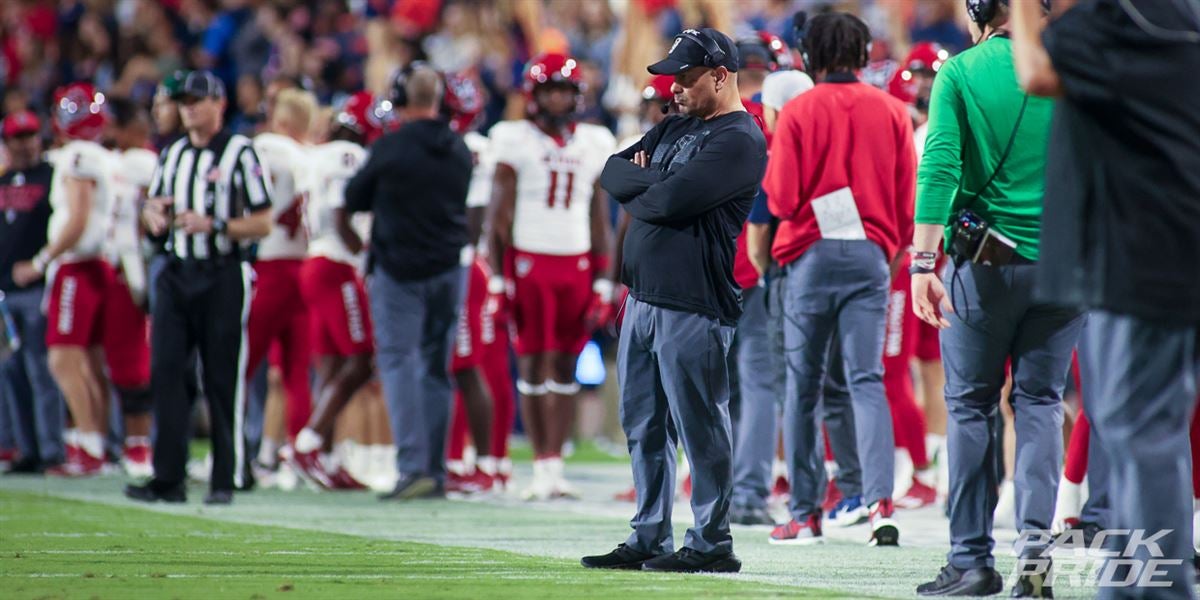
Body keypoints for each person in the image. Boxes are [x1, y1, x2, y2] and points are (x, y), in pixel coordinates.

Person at [1012, 0, 1200, 596]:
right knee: (1132, 427)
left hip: (1148, 252)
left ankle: (1164, 586)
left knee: (1142, 428)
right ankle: (1129, 579)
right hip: (1152, 246)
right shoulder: (1166, 16)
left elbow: (1036, 71)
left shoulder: (1125, 16)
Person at [582, 27, 766, 574]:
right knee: (642, 424)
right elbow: (612, 173)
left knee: (700, 425)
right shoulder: (679, 125)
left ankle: (712, 542)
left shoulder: (739, 138)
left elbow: (665, 203)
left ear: (720, 75)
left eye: (686, 78)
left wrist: (655, 181)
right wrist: (658, 182)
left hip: (693, 302)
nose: (675, 89)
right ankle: (649, 535)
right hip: (641, 298)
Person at [910, 0, 1078, 596]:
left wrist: (921, 263)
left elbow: (939, 168)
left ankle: (971, 560)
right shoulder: (1074, 65)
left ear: (980, 12)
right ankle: (1036, 553)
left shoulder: (960, 72)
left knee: (972, 406)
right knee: (1040, 405)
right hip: (1066, 265)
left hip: (984, 266)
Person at [763, 12, 914, 547]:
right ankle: (879, 504)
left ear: (812, 55)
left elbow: (779, 198)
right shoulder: (894, 111)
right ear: (862, 52)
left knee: (802, 386)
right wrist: (886, 252)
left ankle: (806, 514)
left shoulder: (800, 110)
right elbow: (905, 204)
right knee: (866, 381)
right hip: (872, 253)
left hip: (811, 254)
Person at [125, 70, 273, 505]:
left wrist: (217, 224)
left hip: (222, 272)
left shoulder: (240, 152)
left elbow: (263, 221)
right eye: (184, 101)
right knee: (166, 373)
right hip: (175, 271)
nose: (189, 108)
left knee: (221, 375)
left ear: (219, 104)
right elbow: (153, 212)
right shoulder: (171, 154)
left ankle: (225, 478)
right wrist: (152, 217)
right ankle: (167, 478)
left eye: (197, 100)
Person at [485, 52, 616, 501]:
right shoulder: (512, 138)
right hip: (528, 263)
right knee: (531, 362)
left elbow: (601, 219)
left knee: (564, 364)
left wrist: (604, 279)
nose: (559, 100)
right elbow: (496, 220)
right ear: (535, 96)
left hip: (575, 264)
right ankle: (541, 465)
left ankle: (556, 466)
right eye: (551, 91)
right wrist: (498, 282)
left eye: (565, 91)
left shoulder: (595, 141)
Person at [344, 66, 473, 501]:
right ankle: (434, 471)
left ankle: (412, 466)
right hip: (447, 270)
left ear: (400, 97)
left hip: (399, 272)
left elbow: (352, 198)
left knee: (398, 364)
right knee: (436, 370)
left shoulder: (391, 146)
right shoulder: (458, 148)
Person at [12, 83, 116, 477]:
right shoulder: (99, 155)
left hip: (77, 265)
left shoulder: (77, 158)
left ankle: (89, 445)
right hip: (93, 264)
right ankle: (95, 442)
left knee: (63, 358)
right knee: (86, 362)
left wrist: (40, 261)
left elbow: (76, 219)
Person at [287, 91, 378, 491]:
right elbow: (342, 217)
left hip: (314, 261)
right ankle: (308, 443)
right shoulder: (346, 156)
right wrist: (365, 260)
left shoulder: (315, 155)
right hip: (336, 263)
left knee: (331, 364)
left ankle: (323, 454)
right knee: (362, 359)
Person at [247, 87, 318, 467]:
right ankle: (296, 454)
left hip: (273, 267)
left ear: (284, 122)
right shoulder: (315, 157)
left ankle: (233, 450)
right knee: (295, 373)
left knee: (241, 362)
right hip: (305, 269)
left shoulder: (271, 148)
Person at [0, 110, 64, 474]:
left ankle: (50, 450)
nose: (25, 144)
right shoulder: (3, 180)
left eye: (29, 136)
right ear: (7, 143)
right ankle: (23, 449)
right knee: (10, 372)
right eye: (17, 138)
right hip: (4, 290)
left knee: (41, 369)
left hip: (37, 286)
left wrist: (40, 264)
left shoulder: (52, 176)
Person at [102, 97, 160, 479]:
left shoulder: (138, 164)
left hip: (136, 269)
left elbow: (136, 224)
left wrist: (138, 277)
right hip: (128, 270)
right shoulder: (128, 163)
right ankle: (131, 444)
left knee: (134, 363)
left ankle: (139, 445)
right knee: (124, 362)